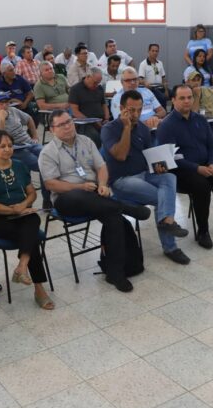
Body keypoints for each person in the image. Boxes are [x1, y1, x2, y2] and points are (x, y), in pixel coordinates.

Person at [39, 110, 150, 293]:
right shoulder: (48, 152)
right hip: (67, 198)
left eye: (69, 122)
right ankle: (125, 208)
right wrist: (79, 187)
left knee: (114, 218)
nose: (67, 126)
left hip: (95, 196)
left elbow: (102, 166)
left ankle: (116, 273)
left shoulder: (86, 141)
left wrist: (103, 185)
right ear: (52, 129)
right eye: (61, 125)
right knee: (85, 198)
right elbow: (51, 184)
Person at [102, 90, 190, 265]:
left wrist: (159, 164)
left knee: (169, 178)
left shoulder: (143, 128)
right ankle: (170, 246)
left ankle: (167, 220)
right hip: (122, 180)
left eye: (139, 110)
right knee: (162, 198)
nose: (136, 114)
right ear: (121, 108)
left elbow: (149, 157)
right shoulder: (109, 129)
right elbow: (120, 155)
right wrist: (126, 127)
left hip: (144, 174)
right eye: (131, 110)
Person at [0, 130, 54, 309]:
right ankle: (38, 288)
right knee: (31, 235)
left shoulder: (19, 165)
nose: (7, 149)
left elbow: (32, 193)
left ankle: (22, 266)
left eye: (10, 145)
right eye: (2, 146)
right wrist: (12, 209)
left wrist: (24, 205)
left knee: (32, 221)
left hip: (22, 215)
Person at [157, 85, 213, 249]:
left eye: (190, 97)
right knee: (201, 186)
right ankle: (203, 231)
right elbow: (169, 158)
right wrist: (197, 168)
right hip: (183, 172)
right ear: (173, 100)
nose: (187, 101)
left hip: (207, 165)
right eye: (182, 98)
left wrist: (211, 162)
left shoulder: (200, 119)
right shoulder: (166, 125)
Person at [0, 91, 43, 183]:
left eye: (7, 102)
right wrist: (1, 119)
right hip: (14, 148)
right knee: (40, 165)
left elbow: (29, 119)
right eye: (1, 103)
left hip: (29, 143)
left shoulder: (13, 110)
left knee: (49, 157)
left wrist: (35, 136)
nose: (4, 105)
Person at [67, 67, 108, 147]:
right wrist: (93, 122)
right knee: (95, 137)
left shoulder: (99, 88)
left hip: (101, 121)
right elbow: (75, 111)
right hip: (84, 123)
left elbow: (104, 105)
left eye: (98, 83)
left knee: (114, 132)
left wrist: (106, 118)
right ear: (88, 77)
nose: (96, 85)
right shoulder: (75, 89)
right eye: (95, 82)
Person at [137, 43, 168, 108]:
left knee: (175, 93)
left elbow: (163, 78)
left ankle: (173, 113)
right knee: (162, 98)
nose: (155, 53)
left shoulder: (160, 63)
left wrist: (166, 90)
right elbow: (140, 79)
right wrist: (145, 83)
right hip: (151, 88)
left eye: (156, 51)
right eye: (153, 51)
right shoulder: (143, 64)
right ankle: (164, 115)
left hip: (161, 87)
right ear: (148, 51)